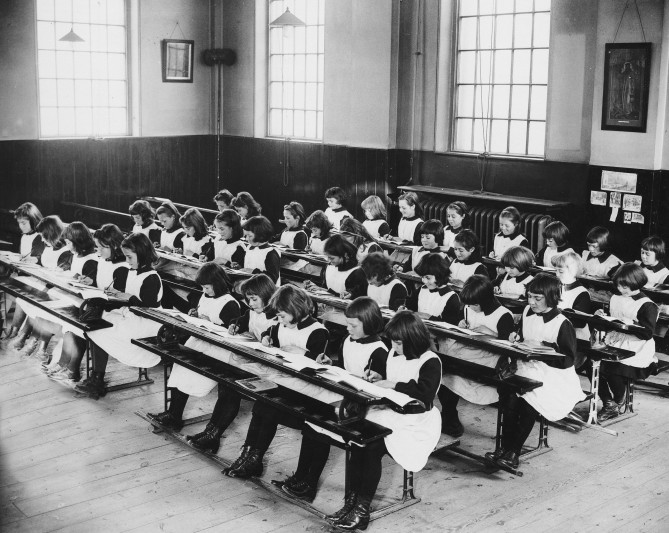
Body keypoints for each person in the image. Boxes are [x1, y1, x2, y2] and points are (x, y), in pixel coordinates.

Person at [327, 311, 441, 530]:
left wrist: (393, 385)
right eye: (393, 342)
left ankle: (362, 510)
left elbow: (425, 394)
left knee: (371, 447)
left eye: (399, 343)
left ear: (414, 339)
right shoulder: (393, 353)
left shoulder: (430, 360)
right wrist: (381, 379)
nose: (394, 347)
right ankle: (350, 503)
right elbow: (392, 378)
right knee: (357, 440)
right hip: (391, 412)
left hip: (417, 421)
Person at [279, 297, 388, 503]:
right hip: (344, 396)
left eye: (353, 325)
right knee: (311, 421)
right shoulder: (349, 340)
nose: (348, 329)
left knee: (320, 424)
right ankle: (301, 477)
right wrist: (332, 363)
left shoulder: (379, 351)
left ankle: (310, 483)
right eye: (347, 323)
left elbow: (376, 389)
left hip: (361, 407)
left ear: (370, 323)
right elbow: (346, 368)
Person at [224, 285, 329, 479]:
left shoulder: (317, 332)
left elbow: (321, 367)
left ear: (296, 310)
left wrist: (306, 355)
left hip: (307, 391)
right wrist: (266, 338)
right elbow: (271, 332)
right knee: (261, 403)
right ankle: (249, 455)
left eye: (281, 316)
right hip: (285, 382)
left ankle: (254, 458)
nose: (278, 320)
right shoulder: (282, 324)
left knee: (266, 405)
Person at [486, 273, 585, 469]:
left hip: (553, 374)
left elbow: (568, 360)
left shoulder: (561, 323)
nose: (531, 302)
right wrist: (517, 337)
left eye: (537, 298)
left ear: (552, 297)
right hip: (527, 366)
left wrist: (544, 349)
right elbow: (524, 335)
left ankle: (513, 452)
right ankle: (503, 448)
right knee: (510, 399)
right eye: (529, 296)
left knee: (529, 401)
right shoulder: (527, 312)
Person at [147, 263, 241, 439]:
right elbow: (201, 312)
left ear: (218, 283)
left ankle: (176, 415)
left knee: (190, 373)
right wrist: (195, 314)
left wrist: (212, 324)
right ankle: (173, 414)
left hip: (216, 348)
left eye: (207, 286)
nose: (204, 290)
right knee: (179, 368)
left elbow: (232, 333)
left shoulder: (229, 304)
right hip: (199, 341)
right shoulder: (206, 295)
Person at [77, 233, 163, 400]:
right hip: (131, 316)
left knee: (100, 330)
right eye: (126, 257)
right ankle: (97, 378)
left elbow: (149, 307)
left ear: (143, 254)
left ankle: (98, 379)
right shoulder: (132, 272)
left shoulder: (151, 277)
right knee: (95, 324)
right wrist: (117, 294)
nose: (128, 261)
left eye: (130, 257)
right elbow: (128, 297)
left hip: (146, 323)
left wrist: (127, 298)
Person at [49, 224, 130, 387]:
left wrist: (102, 293)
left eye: (101, 247)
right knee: (71, 319)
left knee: (83, 322)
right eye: (97, 246)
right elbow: (101, 285)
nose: (97, 250)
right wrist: (90, 281)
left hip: (114, 310)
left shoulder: (122, 267)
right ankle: (66, 364)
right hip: (98, 304)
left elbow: (118, 297)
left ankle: (79, 370)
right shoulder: (103, 260)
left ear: (113, 245)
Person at [439, 275, 515, 436]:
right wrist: (462, 324)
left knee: (452, 362)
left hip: (490, 357)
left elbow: (507, 348)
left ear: (486, 300)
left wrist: (491, 335)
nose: (470, 308)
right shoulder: (468, 307)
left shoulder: (503, 315)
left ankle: (449, 417)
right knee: (444, 369)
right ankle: (449, 417)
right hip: (471, 350)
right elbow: (465, 324)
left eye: (474, 305)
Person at [595, 263, 659, 421]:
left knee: (610, 367)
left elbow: (647, 333)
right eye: (618, 285)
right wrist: (602, 315)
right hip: (616, 340)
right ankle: (609, 403)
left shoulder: (647, 305)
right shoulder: (616, 297)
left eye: (624, 286)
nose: (620, 289)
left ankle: (618, 398)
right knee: (591, 365)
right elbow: (612, 317)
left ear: (636, 283)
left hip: (637, 345)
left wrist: (630, 323)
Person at [552, 252, 592, 365]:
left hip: (574, 338)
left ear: (573, 271)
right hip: (556, 332)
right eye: (555, 271)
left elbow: (579, 322)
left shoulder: (582, 293)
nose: (557, 275)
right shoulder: (556, 287)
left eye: (561, 271)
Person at [305, 234, 367, 300]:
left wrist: (325, 291)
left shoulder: (357, 272)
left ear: (345, 255)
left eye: (332, 258)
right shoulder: (329, 266)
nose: (329, 260)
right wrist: (315, 286)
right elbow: (327, 288)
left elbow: (356, 299)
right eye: (328, 257)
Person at [410, 253, 461, 323]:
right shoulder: (421, 290)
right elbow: (411, 309)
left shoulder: (451, 297)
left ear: (439, 275)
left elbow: (450, 325)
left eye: (428, 278)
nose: (424, 281)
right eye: (422, 277)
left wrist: (429, 317)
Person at [242, 216, 281, 284]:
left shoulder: (270, 253)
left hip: (266, 290)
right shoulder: (249, 247)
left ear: (260, 234)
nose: (246, 239)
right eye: (245, 236)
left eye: (249, 236)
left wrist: (253, 272)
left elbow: (273, 278)